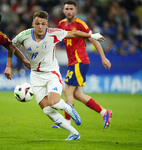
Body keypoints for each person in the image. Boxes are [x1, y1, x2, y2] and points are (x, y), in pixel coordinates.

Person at [12, 10, 105, 140]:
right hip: (35, 76)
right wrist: (17, 62)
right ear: (33, 23)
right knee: (47, 111)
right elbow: (11, 46)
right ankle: (74, 133)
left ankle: (68, 108)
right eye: (37, 23)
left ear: (47, 24)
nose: (40, 27)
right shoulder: (24, 36)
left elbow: (73, 33)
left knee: (54, 102)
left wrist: (91, 36)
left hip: (52, 74)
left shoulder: (53, 33)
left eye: (43, 24)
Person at [52, 0, 112, 129]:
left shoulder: (81, 24)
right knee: (78, 94)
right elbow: (55, 39)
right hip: (72, 63)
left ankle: (67, 122)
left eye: (71, 9)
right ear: (63, 11)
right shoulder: (61, 24)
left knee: (67, 90)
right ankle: (104, 112)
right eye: (66, 9)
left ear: (76, 11)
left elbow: (94, 39)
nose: (68, 11)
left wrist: (103, 57)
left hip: (80, 61)